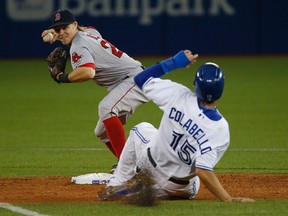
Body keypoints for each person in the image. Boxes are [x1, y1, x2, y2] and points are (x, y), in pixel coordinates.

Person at [98, 50, 255, 202]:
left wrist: (173, 63)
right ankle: (149, 190)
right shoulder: (220, 128)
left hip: (151, 165)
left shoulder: (178, 95)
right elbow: (203, 170)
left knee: (140, 129)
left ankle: (118, 182)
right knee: (195, 182)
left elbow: (141, 78)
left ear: (196, 84)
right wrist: (228, 199)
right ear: (221, 90)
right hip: (182, 188)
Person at [41, 9, 149, 165]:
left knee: (106, 108)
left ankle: (127, 167)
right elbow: (90, 27)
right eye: (58, 29)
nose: (62, 32)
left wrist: (61, 77)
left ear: (75, 25)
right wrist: (58, 33)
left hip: (134, 80)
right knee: (102, 132)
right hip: (128, 81)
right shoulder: (89, 33)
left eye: (66, 27)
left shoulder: (78, 45)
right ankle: (134, 165)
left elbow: (88, 72)